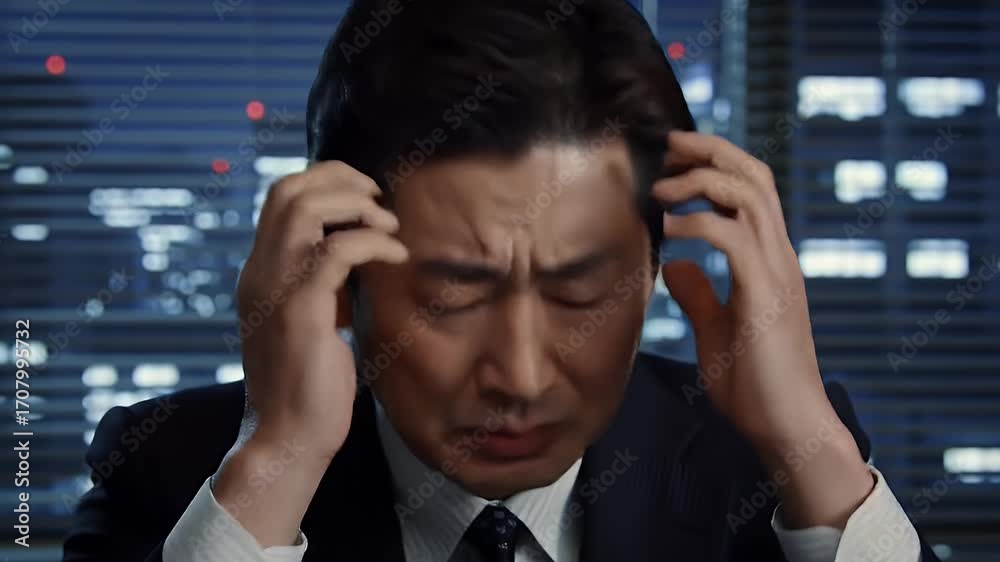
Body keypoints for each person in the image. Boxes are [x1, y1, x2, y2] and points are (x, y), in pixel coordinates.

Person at [63, 0, 939, 560]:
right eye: (452, 296)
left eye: (580, 293)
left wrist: (810, 446)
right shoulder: (172, 471)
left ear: (652, 272)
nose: (519, 377)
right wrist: (276, 461)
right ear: (340, 277)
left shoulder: (770, 470)